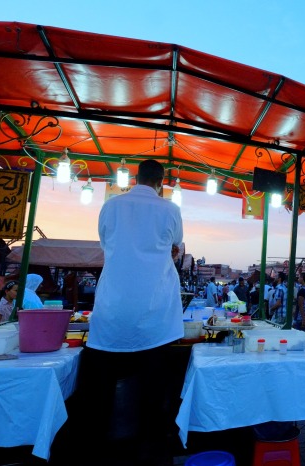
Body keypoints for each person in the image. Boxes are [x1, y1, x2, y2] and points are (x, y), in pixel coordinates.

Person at [81, 159, 183, 465]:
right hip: (156, 317)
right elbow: (176, 247)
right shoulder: (170, 210)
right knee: (154, 393)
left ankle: (99, 453)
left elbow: (106, 244)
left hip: (112, 313)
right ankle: (150, 451)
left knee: (103, 394)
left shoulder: (111, 206)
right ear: (161, 182)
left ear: (135, 178)